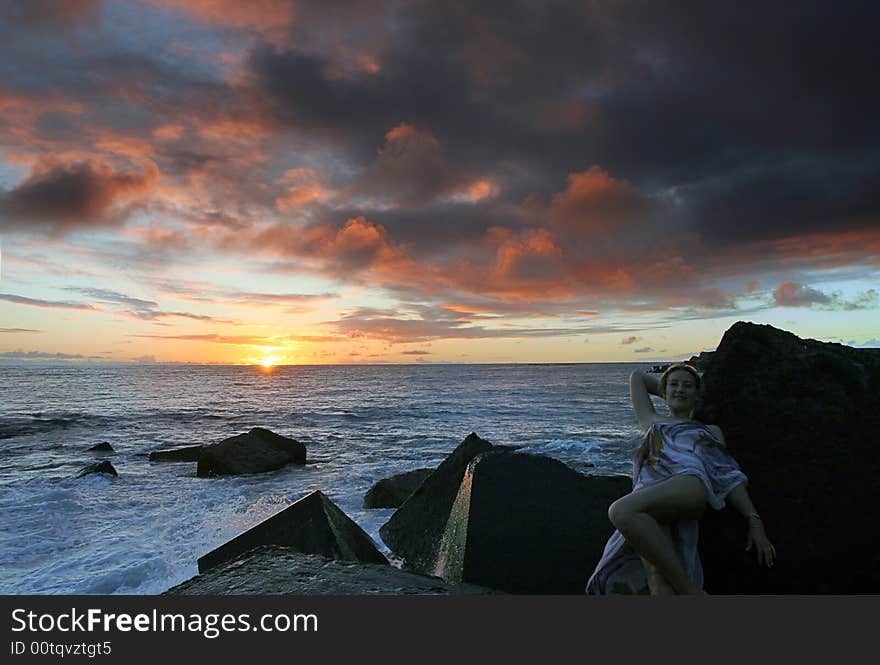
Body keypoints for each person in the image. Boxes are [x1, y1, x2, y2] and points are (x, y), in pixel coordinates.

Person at [585, 363, 775, 594]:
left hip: (688, 484)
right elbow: (637, 377)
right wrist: (670, 390)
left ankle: (690, 592)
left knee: (620, 511)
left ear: (698, 394)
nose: (680, 390)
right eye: (674, 385)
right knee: (656, 579)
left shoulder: (709, 430)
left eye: (687, 386)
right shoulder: (651, 421)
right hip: (651, 494)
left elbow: (726, 473)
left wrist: (754, 520)